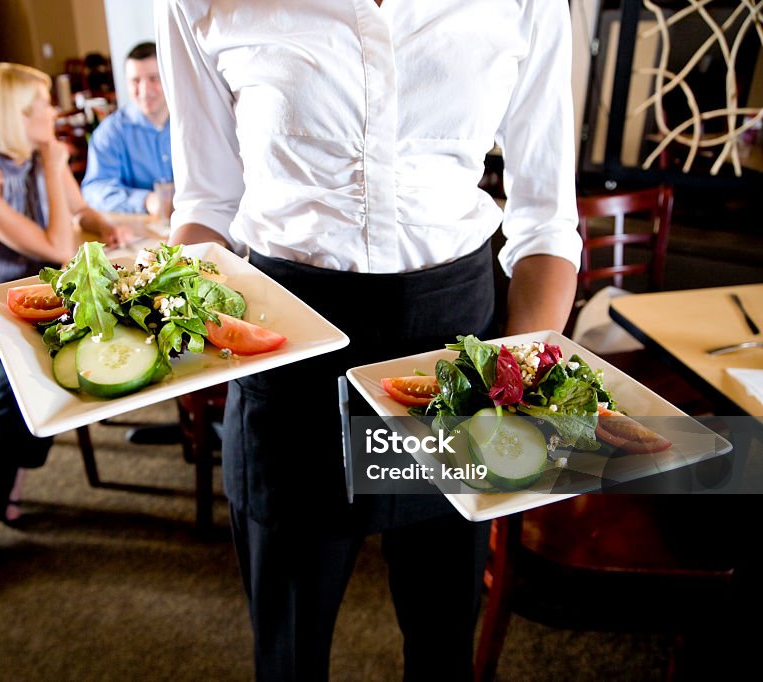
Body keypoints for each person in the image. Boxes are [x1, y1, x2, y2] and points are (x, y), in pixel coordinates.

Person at [156, 1, 582, 680]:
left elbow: (546, 224)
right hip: (289, 350)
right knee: (291, 650)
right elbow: (208, 204)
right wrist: (174, 308)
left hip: (457, 351)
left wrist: (520, 372)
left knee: (444, 643)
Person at [0, 62, 128, 581]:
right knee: (19, 376)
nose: (52, 110)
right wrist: (49, 162)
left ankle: (9, 480)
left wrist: (103, 224)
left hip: (27, 293)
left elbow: (79, 212)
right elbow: (59, 249)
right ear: (14, 116)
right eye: (40, 104)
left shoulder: (43, 153)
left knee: (52, 359)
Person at [82, 42, 173, 216]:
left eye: (154, 79)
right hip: (142, 231)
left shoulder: (193, 122)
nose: (144, 90)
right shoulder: (109, 132)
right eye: (136, 81)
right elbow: (94, 190)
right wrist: (146, 200)